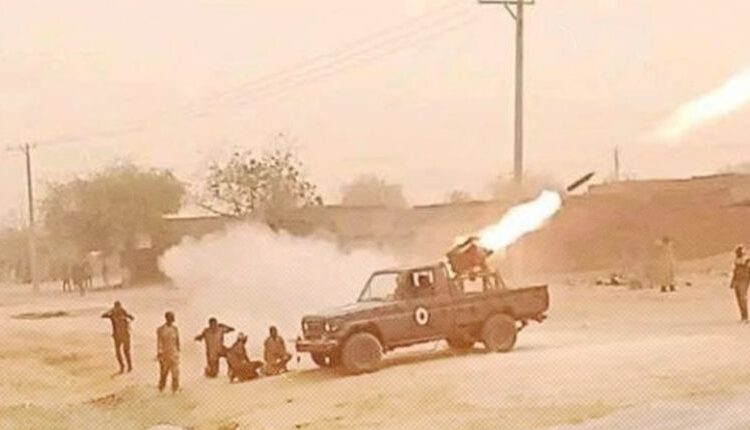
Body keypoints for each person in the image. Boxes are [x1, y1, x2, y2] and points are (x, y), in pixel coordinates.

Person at [101, 301, 135, 373]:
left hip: (119, 336)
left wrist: (111, 312)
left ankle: (125, 366)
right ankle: (127, 366)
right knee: (124, 352)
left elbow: (104, 315)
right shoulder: (118, 314)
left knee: (122, 352)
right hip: (122, 335)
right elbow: (132, 317)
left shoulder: (114, 315)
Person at [156, 311, 180, 393]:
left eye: (172, 318)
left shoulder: (175, 329)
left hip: (174, 353)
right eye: (170, 317)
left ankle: (175, 389)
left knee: (175, 372)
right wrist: (160, 352)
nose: (172, 319)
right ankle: (161, 388)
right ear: (166, 318)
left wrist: (178, 352)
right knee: (164, 373)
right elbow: (159, 342)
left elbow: (177, 341)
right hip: (164, 354)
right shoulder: (161, 329)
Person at [731, 245, 750, 323]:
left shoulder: (746, 260)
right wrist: (733, 281)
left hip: (744, 281)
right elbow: (735, 272)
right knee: (739, 299)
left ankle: (745, 316)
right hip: (737, 281)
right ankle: (743, 316)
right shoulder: (736, 260)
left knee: (743, 298)